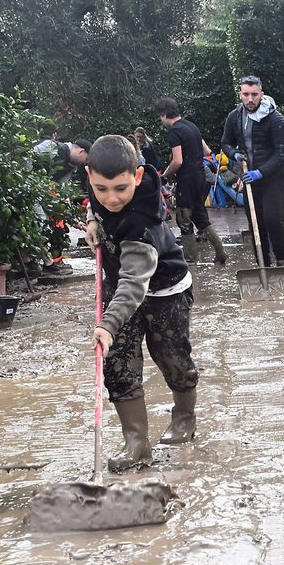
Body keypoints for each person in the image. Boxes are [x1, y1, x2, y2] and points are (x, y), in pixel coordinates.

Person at [84, 134, 200, 469]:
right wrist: (93, 220)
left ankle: (184, 419)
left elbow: (135, 285)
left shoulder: (142, 224)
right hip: (119, 284)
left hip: (164, 291)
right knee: (118, 365)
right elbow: (96, 200)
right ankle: (136, 443)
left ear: (137, 176)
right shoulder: (103, 184)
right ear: (90, 174)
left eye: (121, 189)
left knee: (173, 359)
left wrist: (107, 324)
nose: (111, 198)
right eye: (102, 188)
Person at [219, 75, 284, 266]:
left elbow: (282, 154)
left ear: (262, 95)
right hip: (249, 178)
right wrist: (234, 154)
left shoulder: (275, 119)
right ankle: (263, 263)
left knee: (272, 219)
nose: (250, 99)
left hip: (272, 177)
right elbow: (225, 143)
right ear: (240, 95)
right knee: (255, 223)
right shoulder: (235, 117)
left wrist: (261, 172)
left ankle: (282, 261)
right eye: (246, 94)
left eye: (254, 95)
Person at [156, 96, 226, 265]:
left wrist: (163, 176)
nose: (161, 119)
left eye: (160, 116)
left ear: (164, 114)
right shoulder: (191, 126)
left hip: (187, 180)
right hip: (200, 177)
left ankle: (190, 258)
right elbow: (207, 151)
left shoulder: (174, 131)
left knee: (183, 218)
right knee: (200, 216)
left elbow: (178, 161)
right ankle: (220, 252)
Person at [31, 136, 91, 275]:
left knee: (51, 224)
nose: (84, 164)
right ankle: (46, 263)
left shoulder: (70, 166)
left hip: (39, 191)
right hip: (26, 187)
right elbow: (26, 157)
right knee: (40, 222)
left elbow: (60, 194)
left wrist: (75, 220)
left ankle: (36, 262)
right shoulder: (52, 148)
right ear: (81, 152)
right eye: (86, 159)